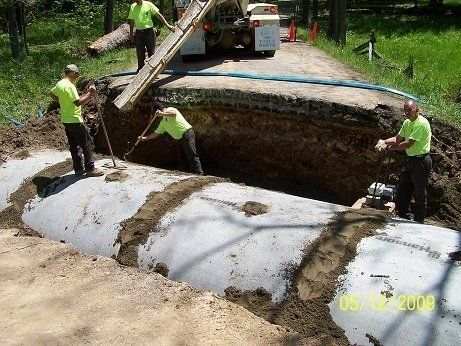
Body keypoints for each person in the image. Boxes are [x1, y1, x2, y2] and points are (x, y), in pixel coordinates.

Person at [375, 100, 432, 223]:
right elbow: (397, 138)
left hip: (421, 161)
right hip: (412, 160)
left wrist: (388, 147)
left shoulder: (421, 123)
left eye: (409, 110)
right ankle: (403, 216)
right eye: (405, 110)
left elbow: (408, 143)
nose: (407, 113)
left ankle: (419, 222)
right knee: (403, 189)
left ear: (417, 109)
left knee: (419, 193)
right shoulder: (407, 122)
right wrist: (383, 141)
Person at [50, 64, 104, 177]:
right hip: (74, 119)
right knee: (87, 143)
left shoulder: (60, 84)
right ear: (72, 73)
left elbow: (51, 93)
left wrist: (62, 102)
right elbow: (78, 102)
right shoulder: (70, 86)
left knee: (74, 145)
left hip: (65, 120)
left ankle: (78, 169)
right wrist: (90, 93)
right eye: (76, 74)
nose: (77, 77)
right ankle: (90, 169)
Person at [139, 102, 204, 174]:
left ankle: (199, 172)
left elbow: (173, 114)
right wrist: (144, 138)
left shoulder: (170, 109)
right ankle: (183, 171)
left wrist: (162, 113)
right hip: (179, 138)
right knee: (180, 155)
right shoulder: (163, 123)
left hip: (187, 133)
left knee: (191, 153)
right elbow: (155, 133)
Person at [128, 0, 175, 72]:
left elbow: (158, 15)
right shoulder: (133, 6)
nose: (135, 1)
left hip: (149, 32)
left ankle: (153, 72)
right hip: (139, 33)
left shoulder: (148, 4)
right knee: (140, 54)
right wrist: (131, 34)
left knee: (152, 53)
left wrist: (168, 25)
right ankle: (140, 73)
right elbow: (131, 21)